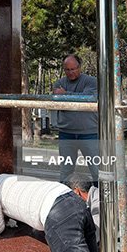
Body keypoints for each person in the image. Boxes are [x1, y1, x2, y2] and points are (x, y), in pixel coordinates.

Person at [52, 54, 99, 183]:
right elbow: (57, 100)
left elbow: (89, 97)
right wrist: (68, 96)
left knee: (96, 168)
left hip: (89, 133)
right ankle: (64, 197)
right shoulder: (59, 83)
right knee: (66, 169)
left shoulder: (91, 81)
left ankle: (100, 199)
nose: (71, 72)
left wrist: (66, 94)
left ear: (80, 67)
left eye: (74, 69)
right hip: (66, 133)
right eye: (67, 69)